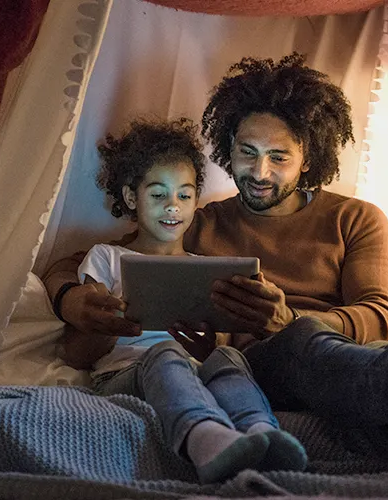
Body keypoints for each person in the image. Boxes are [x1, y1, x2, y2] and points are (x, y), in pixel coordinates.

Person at [45, 54, 388, 467]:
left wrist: (289, 319)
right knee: (296, 349)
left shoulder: (355, 219)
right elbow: (80, 263)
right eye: (246, 152)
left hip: (333, 363)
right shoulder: (196, 220)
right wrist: (73, 301)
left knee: (315, 364)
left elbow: (381, 319)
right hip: (245, 371)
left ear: (309, 157)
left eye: (279, 157)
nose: (259, 172)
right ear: (228, 150)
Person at [62, 117, 308, 483]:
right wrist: (112, 324)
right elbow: (75, 353)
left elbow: (212, 349)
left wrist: (210, 345)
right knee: (164, 353)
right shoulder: (106, 258)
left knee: (229, 357)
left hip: (191, 371)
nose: (173, 207)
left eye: (185, 195)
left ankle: (260, 432)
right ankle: (204, 439)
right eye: (159, 195)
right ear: (132, 197)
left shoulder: (203, 269)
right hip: (124, 374)